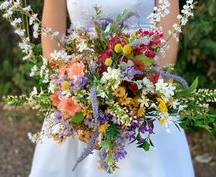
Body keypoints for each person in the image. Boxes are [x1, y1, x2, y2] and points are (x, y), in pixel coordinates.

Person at [29, 0, 195, 177]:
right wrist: (70, 92)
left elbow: (168, 38)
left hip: (143, 92)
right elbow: (52, 36)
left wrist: (144, 93)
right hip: (80, 89)